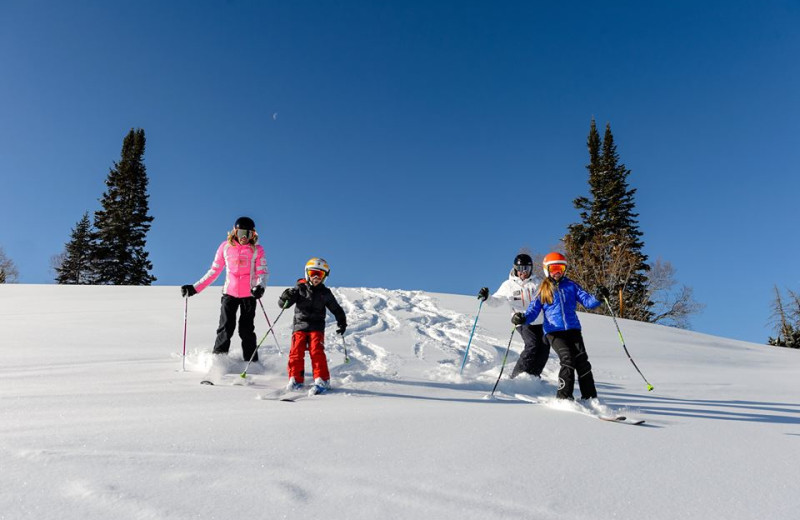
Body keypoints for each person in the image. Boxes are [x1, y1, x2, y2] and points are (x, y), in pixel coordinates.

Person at [511, 252, 608, 401]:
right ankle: (564, 397)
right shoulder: (543, 289)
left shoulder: (571, 285)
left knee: (583, 362)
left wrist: (598, 297)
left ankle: (590, 398)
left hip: (573, 329)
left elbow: (588, 302)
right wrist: (523, 318)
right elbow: (532, 311)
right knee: (568, 359)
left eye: (561, 269)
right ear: (546, 269)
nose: (557, 272)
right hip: (554, 332)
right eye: (554, 268)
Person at [181, 217, 268, 362]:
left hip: (249, 294)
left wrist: (260, 287)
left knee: (246, 330)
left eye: (248, 233)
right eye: (241, 233)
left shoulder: (256, 250)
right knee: (226, 327)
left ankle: (251, 363)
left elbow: (262, 272)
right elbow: (214, 271)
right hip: (229, 294)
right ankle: (218, 361)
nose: (244, 237)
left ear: (254, 235)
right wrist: (195, 288)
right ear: (235, 232)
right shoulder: (225, 247)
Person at [278, 257, 347, 393]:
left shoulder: (325, 293)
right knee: (296, 352)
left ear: (324, 277)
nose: (316, 277)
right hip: (300, 326)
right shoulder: (299, 289)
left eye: (320, 274)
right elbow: (283, 305)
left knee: (316, 351)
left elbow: (336, 308)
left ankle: (322, 380)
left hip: (316, 327)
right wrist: (285, 296)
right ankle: (295, 379)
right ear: (307, 274)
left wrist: (342, 322)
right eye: (313, 273)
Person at [478, 253, 550, 378]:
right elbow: (496, 301)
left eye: (526, 269)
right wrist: (487, 297)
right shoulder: (508, 285)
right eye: (520, 269)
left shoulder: (538, 282)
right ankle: (516, 376)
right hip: (522, 320)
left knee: (544, 347)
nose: (523, 272)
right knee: (532, 345)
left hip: (541, 320)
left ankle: (534, 376)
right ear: (515, 269)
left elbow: (549, 299)